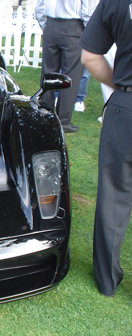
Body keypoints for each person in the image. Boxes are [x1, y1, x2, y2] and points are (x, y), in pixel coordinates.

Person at [79, 0, 132, 297]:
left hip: (126, 106)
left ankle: (107, 281)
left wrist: (122, 87)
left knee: (113, 195)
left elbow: (90, 56)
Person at [35, 0, 97, 133]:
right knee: (71, 75)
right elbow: (88, 12)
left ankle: (44, 113)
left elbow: (40, 7)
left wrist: (46, 26)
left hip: (51, 25)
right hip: (73, 27)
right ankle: (63, 121)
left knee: (48, 71)